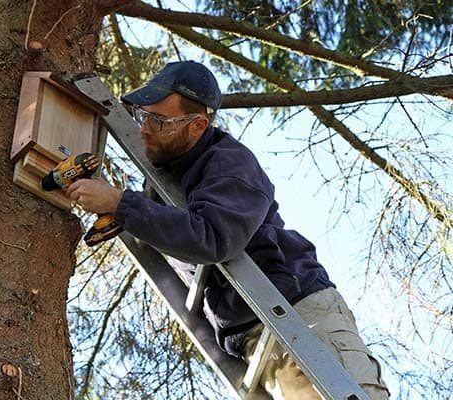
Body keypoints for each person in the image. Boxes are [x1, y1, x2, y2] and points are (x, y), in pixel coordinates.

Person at [66, 60, 390, 399]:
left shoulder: (230, 164)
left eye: (158, 121)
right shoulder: (177, 180)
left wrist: (120, 204)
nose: (145, 128)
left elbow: (212, 237)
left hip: (302, 317)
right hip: (257, 340)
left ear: (197, 126)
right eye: (142, 116)